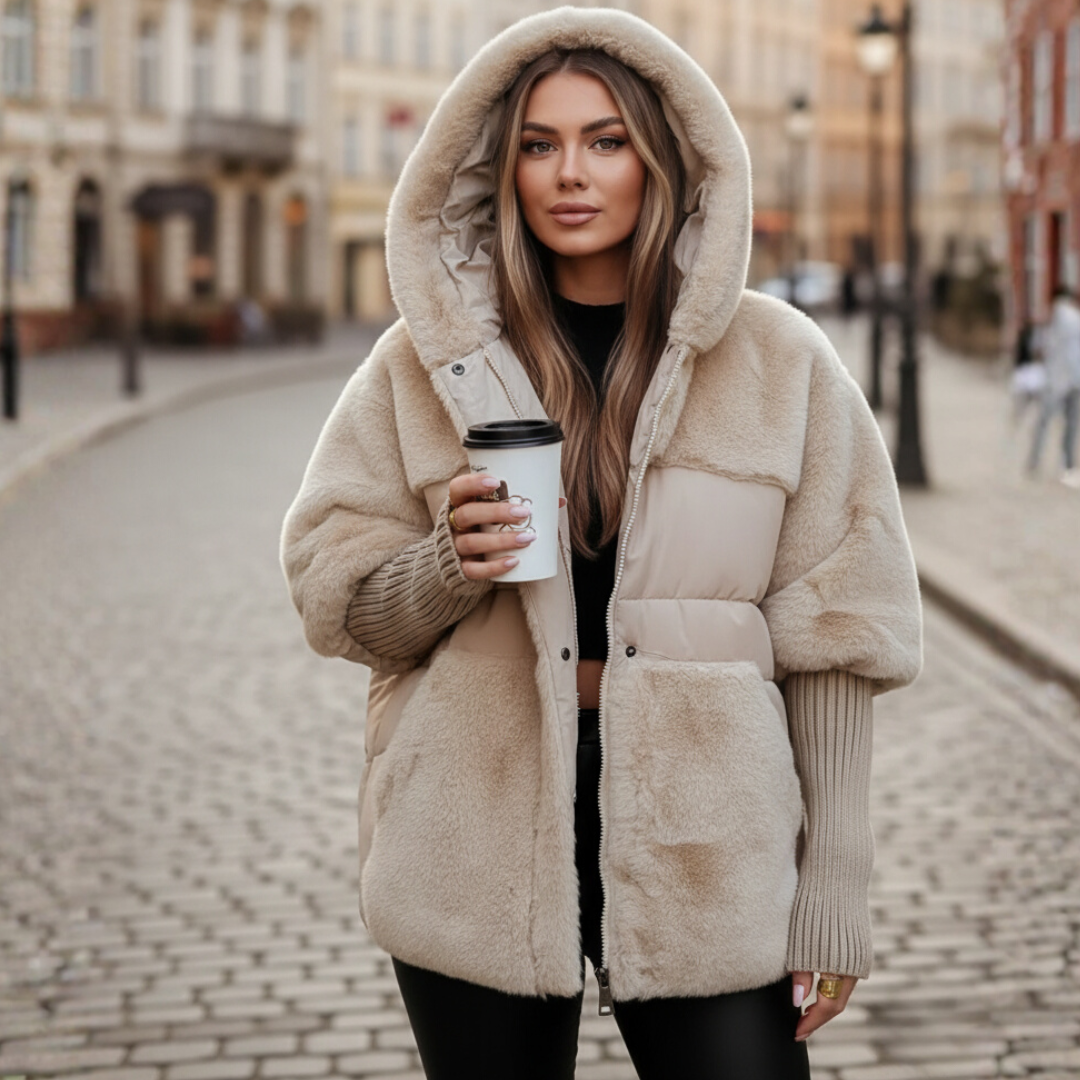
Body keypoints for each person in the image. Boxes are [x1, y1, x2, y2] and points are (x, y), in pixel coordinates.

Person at [280, 9, 922, 1078]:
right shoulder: (419, 368)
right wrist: (451, 560)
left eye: (605, 140)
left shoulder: (781, 362)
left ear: (663, 161)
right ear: (501, 165)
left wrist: (833, 898)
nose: (568, 173)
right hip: (471, 834)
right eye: (539, 144)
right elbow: (342, 611)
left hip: (710, 835)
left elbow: (835, 637)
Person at [1027, 287, 1080, 487]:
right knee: (1070, 425)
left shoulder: (1056, 317)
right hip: (1073, 378)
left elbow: (1037, 348)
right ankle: (1067, 466)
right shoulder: (1070, 317)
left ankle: (1035, 461)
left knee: (1044, 422)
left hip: (1058, 380)